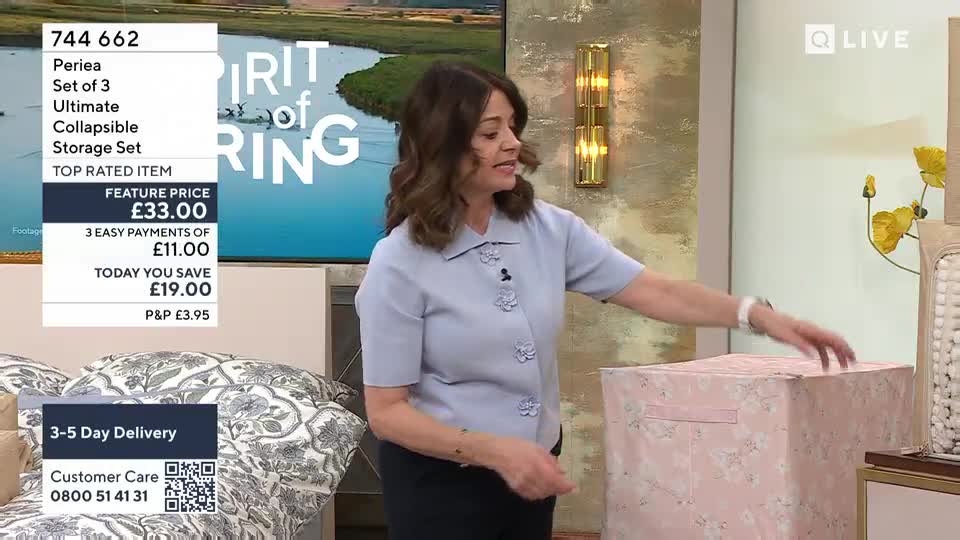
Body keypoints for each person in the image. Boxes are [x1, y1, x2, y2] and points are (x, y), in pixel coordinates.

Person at [354, 61, 855, 540]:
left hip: (532, 473)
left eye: (512, 127)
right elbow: (387, 412)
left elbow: (653, 290)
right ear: (444, 146)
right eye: (490, 134)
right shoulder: (399, 262)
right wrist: (495, 452)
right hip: (443, 484)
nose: (512, 144)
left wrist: (759, 317)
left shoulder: (548, 228)